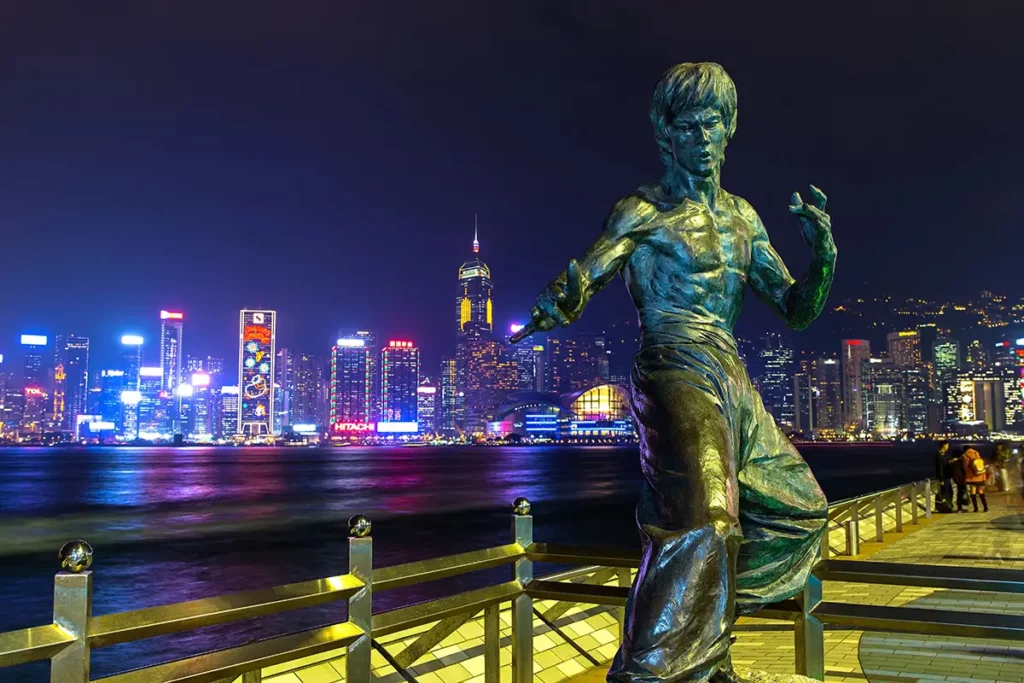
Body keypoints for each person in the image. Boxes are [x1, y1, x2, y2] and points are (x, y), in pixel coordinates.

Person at [511, 62, 834, 683]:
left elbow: (796, 310)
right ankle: (652, 669)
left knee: (800, 510)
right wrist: (562, 300)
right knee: (708, 519)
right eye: (689, 126)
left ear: (729, 129)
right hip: (672, 364)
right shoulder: (641, 210)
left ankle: (701, 635)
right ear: (668, 136)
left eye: (713, 123)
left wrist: (822, 257)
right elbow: (590, 272)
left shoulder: (744, 219)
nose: (703, 137)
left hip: (731, 373)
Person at [962, 446, 989, 512]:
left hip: (972, 477)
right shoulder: (976, 453)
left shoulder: (965, 456)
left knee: (973, 492)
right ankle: (986, 507)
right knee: (980, 492)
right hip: (980, 475)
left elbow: (965, 467)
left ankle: (976, 508)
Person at [934, 441, 953, 513]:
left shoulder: (943, 454)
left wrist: (950, 462)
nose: (948, 447)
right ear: (944, 446)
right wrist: (941, 479)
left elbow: (944, 464)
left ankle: (948, 506)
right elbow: (940, 468)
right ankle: (946, 508)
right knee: (946, 493)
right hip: (944, 477)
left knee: (949, 492)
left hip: (947, 476)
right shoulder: (939, 455)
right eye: (947, 445)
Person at [950, 445, 969, 512]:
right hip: (961, 480)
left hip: (957, 480)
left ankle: (959, 507)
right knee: (961, 493)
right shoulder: (958, 462)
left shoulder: (952, 462)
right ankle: (960, 508)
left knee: (959, 493)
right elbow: (961, 471)